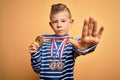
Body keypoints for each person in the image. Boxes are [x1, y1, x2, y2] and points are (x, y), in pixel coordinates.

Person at [29, 3, 104, 80]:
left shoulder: (73, 43)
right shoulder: (43, 45)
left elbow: (82, 48)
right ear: (51, 25)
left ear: (70, 23)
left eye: (63, 21)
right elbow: (37, 70)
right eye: (55, 22)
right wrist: (34, 54)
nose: (59, 25)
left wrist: (86, 47)